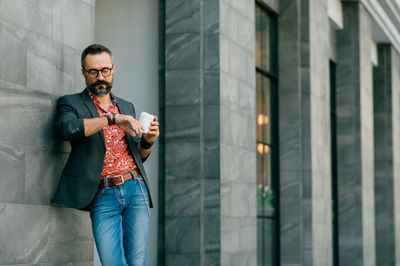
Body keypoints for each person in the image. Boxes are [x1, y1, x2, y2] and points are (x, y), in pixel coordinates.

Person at [51, 43, 159, 266]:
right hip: (103, 194)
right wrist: (112, 119)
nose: (100, 77)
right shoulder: (70, 103)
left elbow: (139, 156)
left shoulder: (126, 106)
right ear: (83, 72)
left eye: (105, 70)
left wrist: (148, 142)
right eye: (93, 71)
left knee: (137, 261)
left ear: (113, 69)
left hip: (135, 187)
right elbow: (66, 129)